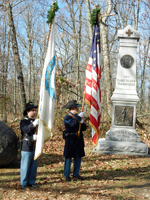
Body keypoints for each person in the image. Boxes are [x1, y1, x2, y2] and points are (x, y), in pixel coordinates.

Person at [63, 100, 87, 181]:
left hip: (78, 139)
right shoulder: (67, 117)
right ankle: (67, 175)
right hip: (70, 140)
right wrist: (78, 118)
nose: (77, 109)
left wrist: (82, 122)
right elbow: (71, 124)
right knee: (68, 157)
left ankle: (76, 174)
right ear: (71, 108)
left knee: (78, 157)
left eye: (77, 108)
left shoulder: (77, 118)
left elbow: (84, 128)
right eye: (76, 108)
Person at [20, 102, 39, 190]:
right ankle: (23, 183)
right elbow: (25, 130)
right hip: (27, 145)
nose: (34, 112)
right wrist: (33, 125)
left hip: (35, 145)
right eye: (32, 110)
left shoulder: (35, 120)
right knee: (25, 165)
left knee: (33, 165)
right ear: (28, 112)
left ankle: (31, 182)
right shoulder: (23, 121)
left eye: (35, 110)